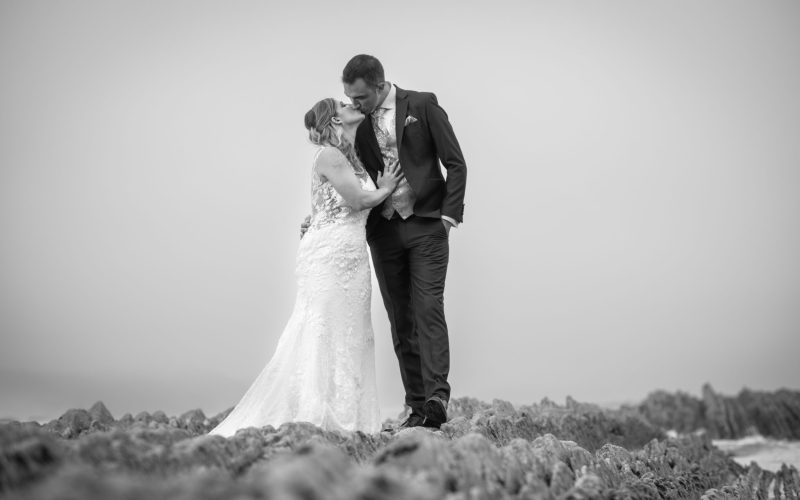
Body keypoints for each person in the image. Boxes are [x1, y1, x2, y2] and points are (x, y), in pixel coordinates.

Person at [209, 98, 403, 437]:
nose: (351, 104)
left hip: (352, 255)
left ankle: (350, 418)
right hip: (328, 256)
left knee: (353, 333)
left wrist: (313, 219)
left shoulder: (350, 157)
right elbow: (358, 200)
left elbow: (331, 203)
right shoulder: (330, 155)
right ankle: (314, 414)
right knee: (322, 329)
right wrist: (385, 187)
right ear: (334, 120)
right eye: (343, 104)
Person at [304, 54, 467, 430]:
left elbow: (455, 163)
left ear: (379, 86)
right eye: (350, 98)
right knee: (400, 317)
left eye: (360, 97)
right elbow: (344, 178)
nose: (354, 104)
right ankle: (415, 406)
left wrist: (447, 217)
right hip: (383, 230)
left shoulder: (422, 105)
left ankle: (437, 398)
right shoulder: (353, 125)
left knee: (428, 308)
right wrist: (319, 219)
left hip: (427, 225)